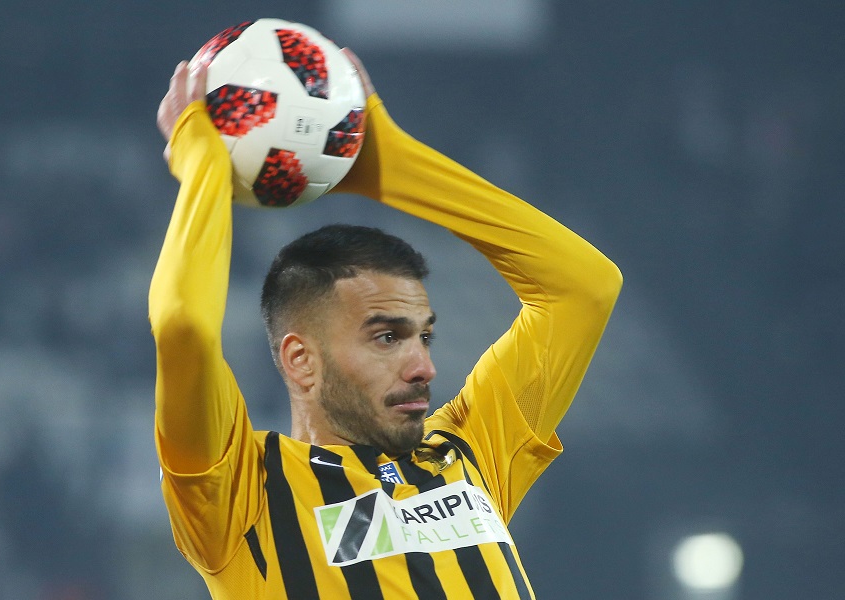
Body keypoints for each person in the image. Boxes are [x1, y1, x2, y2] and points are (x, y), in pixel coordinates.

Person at [151, 49, 622, 599]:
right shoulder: (244, 492)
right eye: (387, 337)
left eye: (424, 336)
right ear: (301, 360)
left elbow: (585, 288)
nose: (424, 366)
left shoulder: (468, 452)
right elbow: (184, 327)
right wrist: (204, 163)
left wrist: (394, 166)